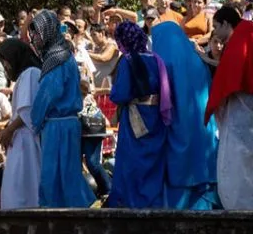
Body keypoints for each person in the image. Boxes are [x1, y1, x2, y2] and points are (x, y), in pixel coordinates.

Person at [27, 10, 94, 208]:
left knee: (54, 174)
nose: (34, 38)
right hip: (67, 123)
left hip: (58, 125)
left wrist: (35, 119)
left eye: (37, 33)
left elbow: (49, 93)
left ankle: (58, 214)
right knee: (67, 172)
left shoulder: (56, 58)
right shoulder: (64, 54)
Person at [151, 22, 220, 210]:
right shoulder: (198, 58)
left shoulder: (162, 61)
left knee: (179, 167)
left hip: (177, 124)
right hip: (203, 126)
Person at [108, 22, 172, 208]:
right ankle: (153, 202)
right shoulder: (156, 59)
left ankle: (130, 202)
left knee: (132, 162)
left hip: (135, 117)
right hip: (156, 117)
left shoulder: (128, 61)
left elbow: (120, 94)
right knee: (153, 162)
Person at [206, 7, 253, 209]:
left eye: (217, 27)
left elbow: (230, 81)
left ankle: (240, 206)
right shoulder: (246, 32)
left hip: (243, 111)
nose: (216, 33)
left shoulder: (238, 41)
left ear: (226, 24)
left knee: (238, 159)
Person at [0, 40, 43, 209]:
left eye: (5, 61)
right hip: (20, 136)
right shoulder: (25, 75)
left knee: (25, 181)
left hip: (26, 137)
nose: (5, 66)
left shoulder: (31, 73)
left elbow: (27, 110)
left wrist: (9, 130)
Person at [87, 23, 120, 89]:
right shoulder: (94, 48)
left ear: (102, 33)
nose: (92, 38)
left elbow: (103, 58)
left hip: (110, 89)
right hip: (97, 89)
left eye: (94, 35)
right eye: (91, 35)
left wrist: (86, 53)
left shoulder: (111, 45)